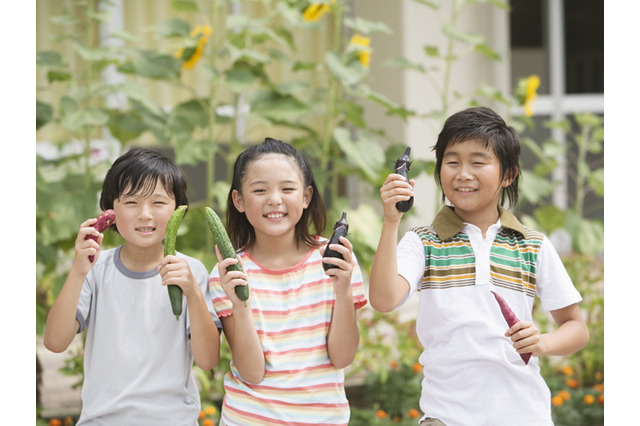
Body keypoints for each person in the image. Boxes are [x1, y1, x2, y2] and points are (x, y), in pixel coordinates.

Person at [369, 107, 590, 426]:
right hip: (445, 418)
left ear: (508, 174)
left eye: (478, 162)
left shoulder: (532, 244)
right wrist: (392, 222)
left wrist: (542, 343)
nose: (463, 174)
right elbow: (383, 299)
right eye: (452, 161)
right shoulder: (422, 242)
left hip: (525, 416)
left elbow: (576, 329)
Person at [43, 147, 221, 425]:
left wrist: (194, 294)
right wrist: (78, 272)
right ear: (110, 210)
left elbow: (208, 360)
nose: (145, 214)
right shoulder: (94, 269)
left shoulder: (191, 272)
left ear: (178, 210)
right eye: (131, 202)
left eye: (158, 203)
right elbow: (54, 342)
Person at [208, 137, 367, 425]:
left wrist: (342, 290)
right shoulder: (228, 273)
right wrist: (239, 305)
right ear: (239, 200)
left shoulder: (336, 261)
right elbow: (251, 373)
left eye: (287, 188)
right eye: (260, 190)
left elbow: (342, 358)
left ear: (306, 197)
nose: (274, 199)